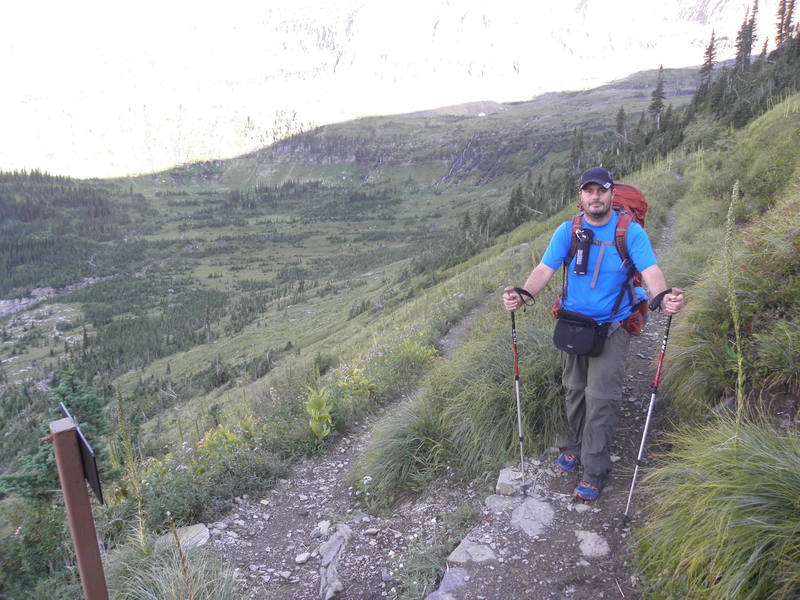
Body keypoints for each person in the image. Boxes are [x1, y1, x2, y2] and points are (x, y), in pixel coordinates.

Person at [502, 166, 684, 501]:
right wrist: (523, 295)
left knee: (601, 399)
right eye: (588, 191)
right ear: (580, 196)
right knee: (573, 390)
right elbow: (545, 268)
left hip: (612, 326)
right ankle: (574, 444)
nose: (595, 197)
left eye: (601, 191)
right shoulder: (568, 230)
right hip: (574, 324)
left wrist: (661, 299)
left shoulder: (628, 231)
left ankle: (595, 468)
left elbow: (651, 270)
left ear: (612, 194)